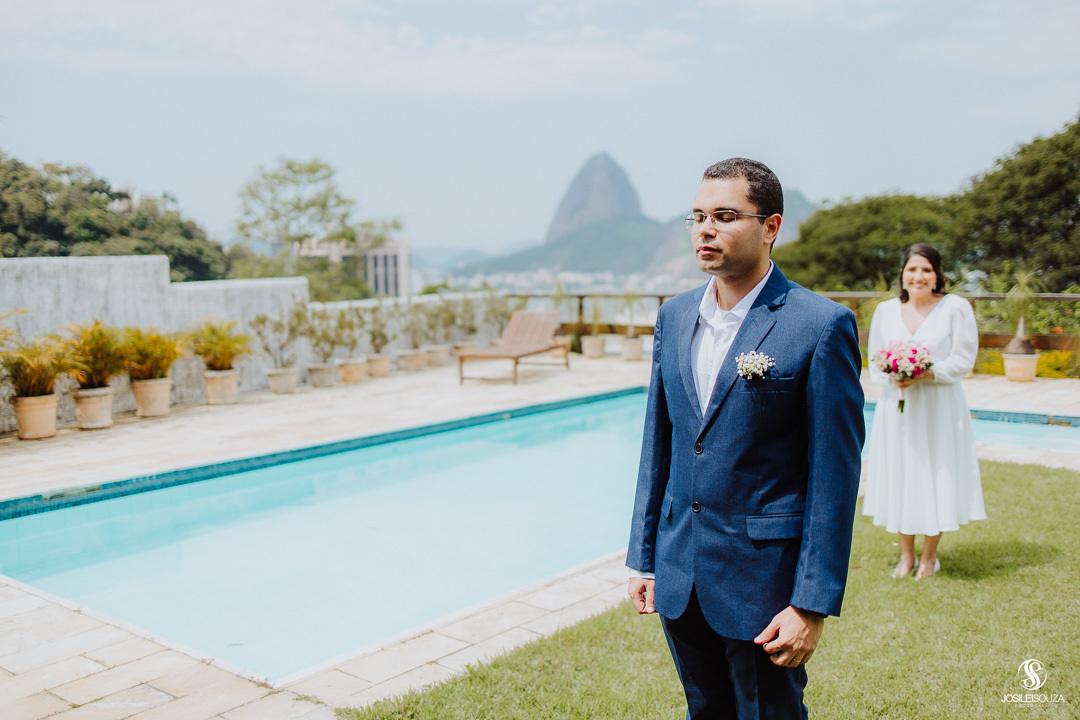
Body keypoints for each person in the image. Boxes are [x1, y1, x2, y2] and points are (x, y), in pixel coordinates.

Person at [626, 158, 865, 719]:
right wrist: (643, 558)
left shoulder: (820, 324)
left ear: (771, 226)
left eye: (726, 216)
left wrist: (811, 603)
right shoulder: (675, 315)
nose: (706, 229)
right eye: (698, 216)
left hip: (765, 585)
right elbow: (657, 443)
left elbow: (834, 475)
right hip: (681, 573)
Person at [862, 244, 985, 580]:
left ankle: (929, 557)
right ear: (902, 274)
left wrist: (927, 373)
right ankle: (906, 556)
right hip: (897, 408)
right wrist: (892, 378)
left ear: (937, 275)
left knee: (936, 474)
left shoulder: (955, 307)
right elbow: (874, 361)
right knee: (901, 473)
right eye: (912, 269)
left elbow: (963, 359)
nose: (918, 276)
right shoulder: (886, 311)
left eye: (926, 270)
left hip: (938, 406)